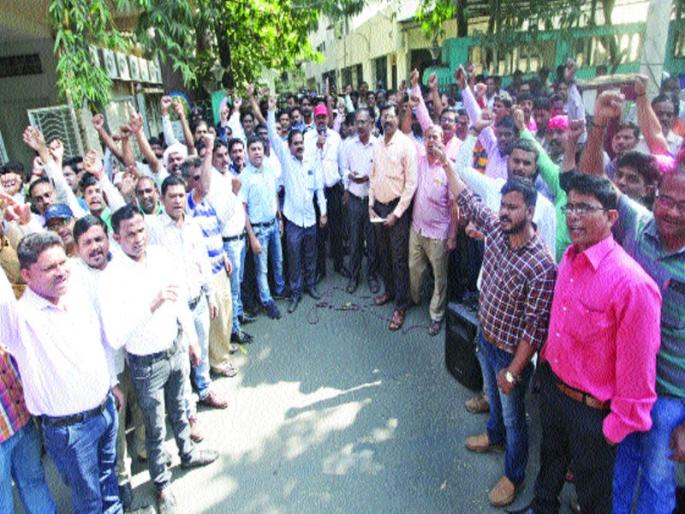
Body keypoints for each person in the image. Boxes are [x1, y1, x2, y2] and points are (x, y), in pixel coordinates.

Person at [510, 173, 661, 514]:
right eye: (570, 206)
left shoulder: (633, 285)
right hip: (555, 391)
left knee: (593, 497)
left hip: (592, 413)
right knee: (550, 463)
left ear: (611, 217)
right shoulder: (569, 257)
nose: (573, 216)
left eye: (585, 208)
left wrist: (611, 430)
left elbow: (638, 372)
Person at [578, 90, 685, 514]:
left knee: (657, 481)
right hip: (626, 384)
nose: (671, 212)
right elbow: (592, 184)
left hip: (670, 397)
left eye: (683, 205)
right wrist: (599, 125)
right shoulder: (638, 227)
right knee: (619, 469)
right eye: (666, 200)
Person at [446, 161, 556, 506]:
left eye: (513, 207)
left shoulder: (541, 264)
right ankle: (493, 436)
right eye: (503, 205)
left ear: (530, 211)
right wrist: (445, 162)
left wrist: (513, 371)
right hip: (486, 337)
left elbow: (534, 328)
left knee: (514, 419)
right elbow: (467, 200)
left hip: (511, 356)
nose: (504, 212)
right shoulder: (496, 230)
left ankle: (514, 476)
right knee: (492, 400)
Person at [105, 205, 219, 513]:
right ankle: (162, 485)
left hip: (175, 349)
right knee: (155, 429)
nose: (138, 238)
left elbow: (178, 299)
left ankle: (187, 453)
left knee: (180, 409)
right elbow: (115, 336)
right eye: (130, 233)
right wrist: (151, 305)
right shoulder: (112, 276)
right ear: (116, 237)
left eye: (141, 230)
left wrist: (192, 340)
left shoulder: (159, 256)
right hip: (146, 365)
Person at [0, 232, 123, 514]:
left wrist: (112, 383)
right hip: (71, 432)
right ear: (26, 275)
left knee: (109, 484)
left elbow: (100, 343)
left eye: (62, 263)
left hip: (105, 412)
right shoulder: (19, 321)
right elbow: (2, 300)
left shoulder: (76, 294)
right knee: (89, 502)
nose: (60, 272)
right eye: (49, 268)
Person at [147, 175, 229, 411]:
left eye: (181, 195)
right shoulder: (154, 228)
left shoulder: (193, 225)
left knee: (201, 349)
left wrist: (210, 295)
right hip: (173, 309)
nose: (177, 201)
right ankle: (187, 408)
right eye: (172, 196)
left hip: (198, 301)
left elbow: (202, 261)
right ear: (162, 199)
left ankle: (205, 390)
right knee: (181, 359)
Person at [266, 95, 327, 313]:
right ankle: (295, 292)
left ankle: (311, 285)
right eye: (296, 144)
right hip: (292, 219)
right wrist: (270, 111)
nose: (299, 146)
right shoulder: (285, 159)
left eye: (301, 143)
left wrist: (323, 212)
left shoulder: (311, 160)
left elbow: (319, 188)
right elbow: (273, 136)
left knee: (311, 255)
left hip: (310, 218)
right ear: (289, 146)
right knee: (294, 258)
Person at [181, 148, 238, 378]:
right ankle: (218, 362)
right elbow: (203, 188)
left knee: (226, 312)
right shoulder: (189, 203)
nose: (202, 181)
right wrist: (210, 147)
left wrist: (223, 254)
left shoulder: (207, 203)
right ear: (187, 181)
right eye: (196, 177)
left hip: (219, 266)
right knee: (216, 319)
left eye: (202, 176)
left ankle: (223, 348)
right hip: (206, 274)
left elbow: (215, 231)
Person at [369, 102, 418, 331]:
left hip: (397, 209)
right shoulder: (377, 144)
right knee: (384, 254)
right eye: (384, 116)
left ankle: (401, 305)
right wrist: (370, 205)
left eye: (390, 116)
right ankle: (389, 292)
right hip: (378, 208)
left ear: (397, 119)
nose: (387, 120)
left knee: (399, 259)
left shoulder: (406, 145)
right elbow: (373, 176)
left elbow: (411, 184)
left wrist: (397, 214)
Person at [240, 136, 285, 319]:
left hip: (273, 224)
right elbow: (242, 209)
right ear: (247, 152)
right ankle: (267, 301)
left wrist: (280, 218)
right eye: (253, 149)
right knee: (262, 269)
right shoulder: (244, 176)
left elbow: (274, 195)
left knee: (278, 260)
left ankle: (280, 290)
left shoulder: (269, 169)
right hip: (258, 230)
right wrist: (252, 237)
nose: (257, 152)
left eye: (259, 149)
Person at [305, 103, 346, 281]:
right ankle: (320, 269)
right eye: (318, 117)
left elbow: (342, 164)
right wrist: (316, 146)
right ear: (314, 119)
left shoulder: (336, 137)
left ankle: (339, 264)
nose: (321, 120)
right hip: (316, 191)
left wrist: (345, 188)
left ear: (328, 118)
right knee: (319, 233)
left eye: (323, 117)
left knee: (336, 229)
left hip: (333, 189)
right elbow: (306, 161)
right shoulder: (307, 137)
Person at [340, 108, 380, 294]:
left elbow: (381, 171)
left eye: (364, 122)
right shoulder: (348, 145)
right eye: (358, 122)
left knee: (372, 241)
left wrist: (368, 178)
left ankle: (372, 276)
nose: (360, 126)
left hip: (372, 200)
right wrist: (350, 176)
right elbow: (344, 169)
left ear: (371, 124)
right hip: (355, 199)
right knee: (355, 240)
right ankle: (354, 277)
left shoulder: (378, 145)